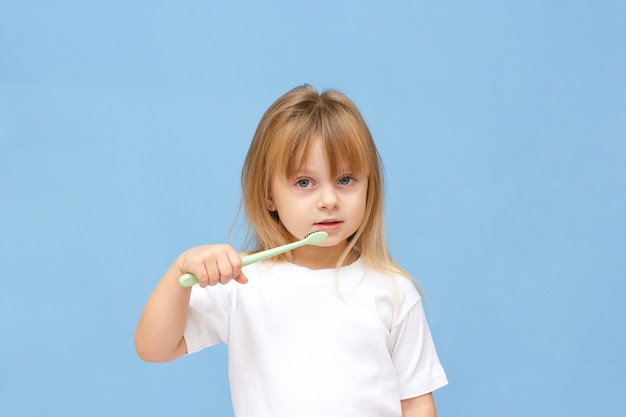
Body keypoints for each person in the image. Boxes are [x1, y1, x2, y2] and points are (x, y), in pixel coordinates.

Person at [135, 84, 448, 417]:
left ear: (370, 186)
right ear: (268, 196)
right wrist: (178, 272)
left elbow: (415, 402)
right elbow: (154, 348)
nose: (329, 200)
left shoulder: (394, 292)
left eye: (345, 180)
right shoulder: (242, 284)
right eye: (304, 183)